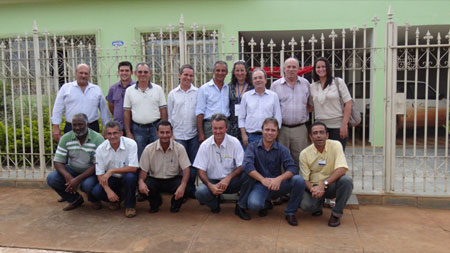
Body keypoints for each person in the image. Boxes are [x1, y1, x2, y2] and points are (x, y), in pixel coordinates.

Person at [235, 118, 306, 226]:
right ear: (262, 130)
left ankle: (290, 212)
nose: (269, 133)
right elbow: (247, 166)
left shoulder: (282, 149)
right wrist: (262, 180)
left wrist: (278, 179)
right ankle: (265, 203)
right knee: (254, 205)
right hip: (260, 184)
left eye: (273, 130)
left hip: (277, 185)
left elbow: (292, 168)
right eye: (267, 129)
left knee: (299, 180)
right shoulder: (252, 147)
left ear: (277, 132)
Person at [46, 113, 105, 211]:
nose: (77, 128)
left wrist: (77, 180)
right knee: (52, 178)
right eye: (74, 125)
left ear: (87, 124)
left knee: (87, 185)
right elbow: (58, 161)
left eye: (80, 124)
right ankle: (74, 199)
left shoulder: (97, 139)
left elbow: (97, 165)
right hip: (73, 169)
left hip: (92, 172)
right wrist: (68, 176)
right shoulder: (66, 138)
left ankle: (94, 199)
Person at [299, 121, 353, 227]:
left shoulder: (336, 145)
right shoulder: (304, 153)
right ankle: (318, 204)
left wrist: (323, 184)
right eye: (315, 133)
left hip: (331, 184)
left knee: (346, 181)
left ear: (327, 135)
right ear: (311, 137)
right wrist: (313, 189)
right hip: (314, 187)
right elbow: (304, 179)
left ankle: (336, 214)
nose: (318, 136)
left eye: (321, 132)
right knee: (306, 206)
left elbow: (342, 169)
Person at [194, 114, 246, 213]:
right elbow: (200, 170)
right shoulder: (205, 145)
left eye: (221, 128)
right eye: (215, 128)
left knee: (248, 175)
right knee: (200, 192)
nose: (218, 131)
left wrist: (228, 178)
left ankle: (240, 206)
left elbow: (241, 165)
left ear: (226, 128)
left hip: (231, 182)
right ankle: (214, 205)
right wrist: (210, 185)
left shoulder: (234, 142)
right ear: (212, 128)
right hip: (213, 182)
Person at [138, 120, 191, 213]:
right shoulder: (149, 149)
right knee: (145, 185)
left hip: (173, 179)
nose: (165, 135)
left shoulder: (179, 148)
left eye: (167, 132)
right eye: (162, 132)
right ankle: (155, 202)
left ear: (171, 133)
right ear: (157, 133)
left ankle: (175, 203)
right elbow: (143, 171)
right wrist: (141, 182)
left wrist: (183, 186)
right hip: (155, 179)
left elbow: (186, 170)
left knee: (186, 185)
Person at [90, 121, 139, 218]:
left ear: (121, 133)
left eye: (115, 133)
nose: (112, 136)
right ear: (104, 135)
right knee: (96, 192)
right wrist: (108, 190)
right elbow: (99, 174)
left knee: (130, 177)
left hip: (127, 176)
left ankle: (129, 206)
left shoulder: (131, 144)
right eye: (109, 133)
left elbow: (133, 168)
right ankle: (115, 200)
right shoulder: (100, 149)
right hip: (111, 179)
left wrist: (111, 170)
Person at [51, 63, 110, 142]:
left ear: (89, 75)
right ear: (75, 74)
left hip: (92, 127)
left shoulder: (96, 90)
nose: (83, 75)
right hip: (71, 128)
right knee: (72, 153)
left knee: (93, 153)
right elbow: (58, 108)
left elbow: (104, 111)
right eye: (81, 73)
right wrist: (56, 127)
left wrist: (107, 127)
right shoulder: (66, 88)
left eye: (86, 73)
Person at [270, 58, 310, 167]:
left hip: (300, 128)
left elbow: (310, 104)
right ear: (284, 69)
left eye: (294, 67)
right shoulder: (275, 85)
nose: (291, 69)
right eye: (288, 67)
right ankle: (284, 183)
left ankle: (300, 182)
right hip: (282, 128)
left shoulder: (305, 83)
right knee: (282, 158)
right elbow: (272, 107)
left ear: (298, 69)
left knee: (301, 158)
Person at [123, 62, 167, 159]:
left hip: (155, 128)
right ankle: (142, 174)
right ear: (135, 73)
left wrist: (163, 129)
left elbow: (163, 110)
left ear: (150, 73)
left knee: (157, 156)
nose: (143, 74)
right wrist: (128, 132)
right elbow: (126, 112)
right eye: (140, 72)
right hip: (138, 129)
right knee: (141, 157)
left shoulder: (158, 89)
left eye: (145, 72)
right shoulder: (129, 91)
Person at [168, 64, 199, 198]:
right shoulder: (172, 94)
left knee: (193, 164)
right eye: (185, 74)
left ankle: (190, 189)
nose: (188, 77)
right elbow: (169, 115)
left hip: (193, 134)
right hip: (178, 135)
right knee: (181, 166)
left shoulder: (198, 92)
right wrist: (171, 134)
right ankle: (182, 190)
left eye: (191, 75)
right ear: (179, 75)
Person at [310, 57, 352, 150]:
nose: (321, 69)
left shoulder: (338, 82)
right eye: (318, 67)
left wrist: (344, 125)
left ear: (328, 68)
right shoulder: (312, 86)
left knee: (337, 156)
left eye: (323, 66)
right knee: (321, 156)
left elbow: (348, 103)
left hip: (337, 126)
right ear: (315, 70)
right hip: (320, 128)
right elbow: (311, 106)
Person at [239, 68, 281, 147]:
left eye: (260, 77)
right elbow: (241, 117)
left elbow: (277, 117)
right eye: (255, 78)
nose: (258, 80)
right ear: (252, 81)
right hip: (250, 136)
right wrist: (244, 135)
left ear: (265, 80)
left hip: (268, 136)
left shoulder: (273, 96)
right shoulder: (246, 96)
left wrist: (274, 134)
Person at [195, 61, 229, 142]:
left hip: (225, 125)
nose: (220, 73)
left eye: (223, 70)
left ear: (226, 73)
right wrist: (201, 133)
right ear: (213, 71)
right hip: (210, 126)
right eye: (218, 70)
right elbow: (199, 112)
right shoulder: (204, 89)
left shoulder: (228, 88)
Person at [106, 61, 135, 133]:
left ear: (131, 72)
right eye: (121, 71)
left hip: (134, 127)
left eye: (127, 71)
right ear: (118, 72)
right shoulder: (113, 88)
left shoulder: (136, 88)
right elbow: (111, 106)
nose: (124, 73)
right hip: (118, 127)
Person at [228, 60, 253, 142]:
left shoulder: (252, 87)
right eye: (237, 70)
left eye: (242, 70)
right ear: (234, 72)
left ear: (246, 72)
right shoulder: (229, 86)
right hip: (233, 125)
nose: (240, 73)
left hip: (247, 124)